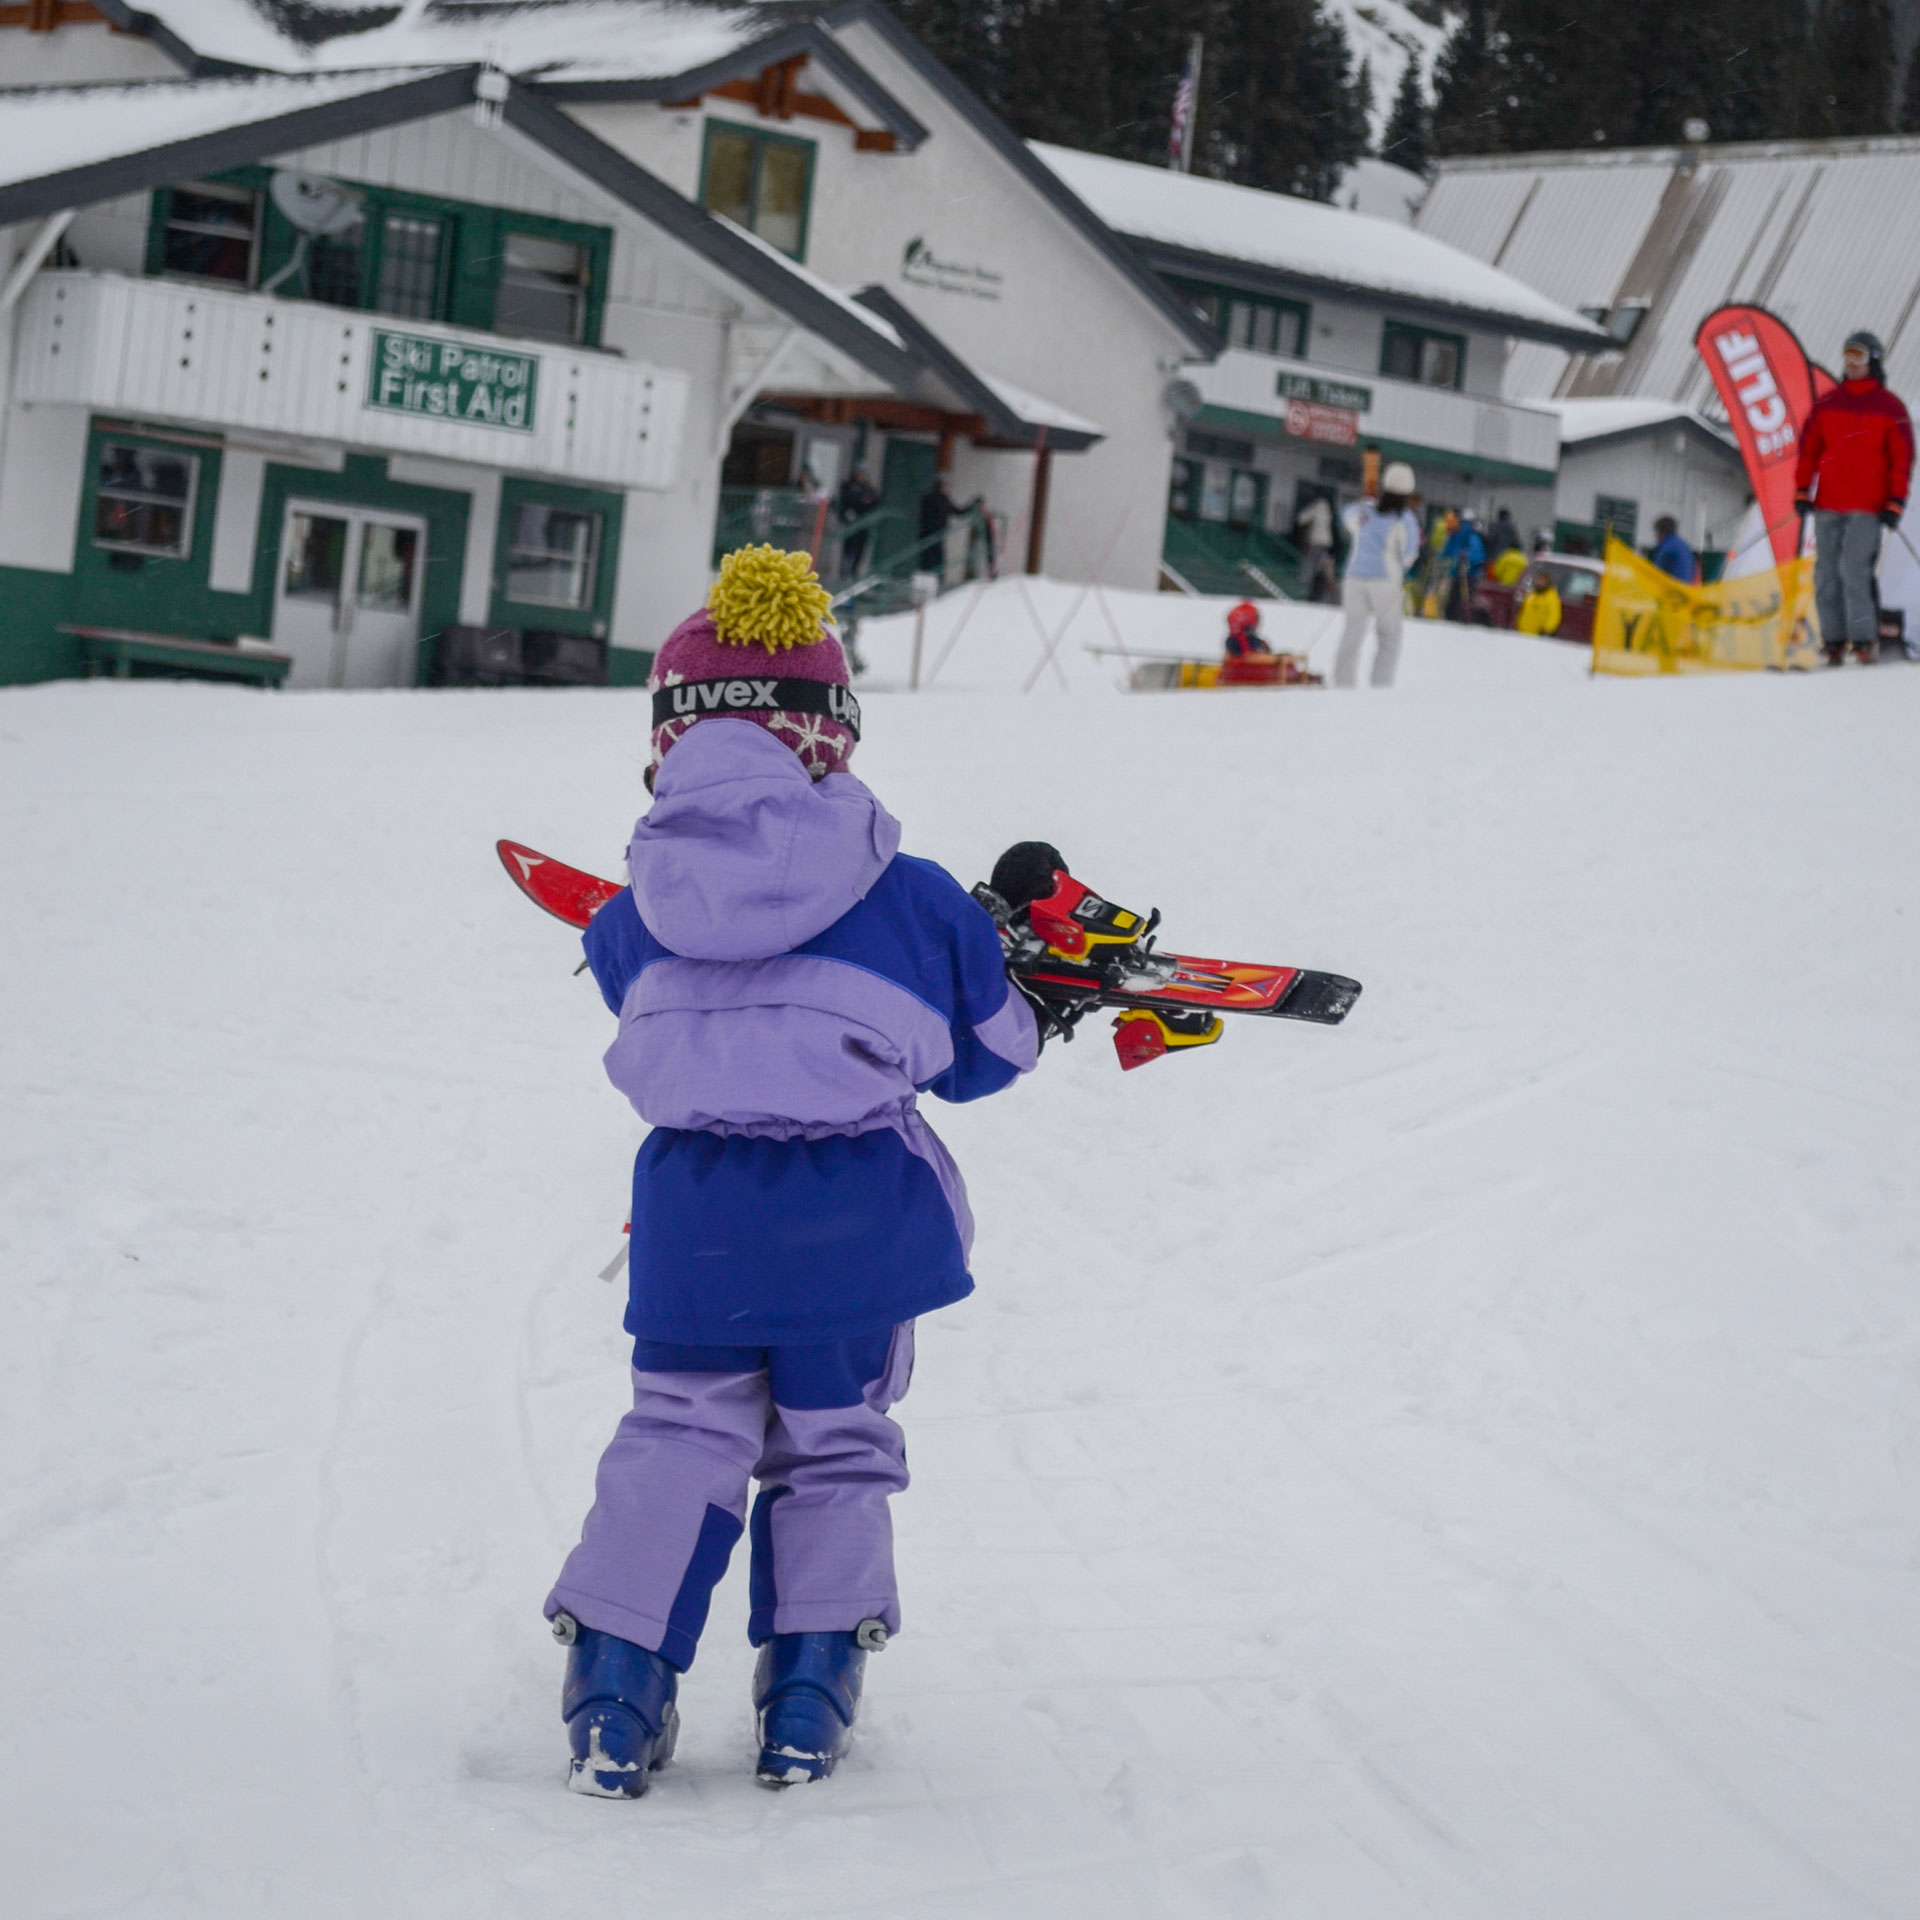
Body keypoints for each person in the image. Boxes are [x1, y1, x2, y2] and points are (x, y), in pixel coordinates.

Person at [544, 544, 1040, 1796]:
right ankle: (810, 1695)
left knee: (675, 1436)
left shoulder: (631, 914)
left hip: (695, 1227)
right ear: (834, 736)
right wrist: (1022, 981)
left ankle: (614, 1692)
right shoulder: (919, 903)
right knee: (833, 1445)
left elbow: (633, 992)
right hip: (857, 1228)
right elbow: (985, 1060)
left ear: (668, 736)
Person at [1796, 328, 1914, 665]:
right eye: (1847, 355)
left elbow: (1902, 460)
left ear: (1873, 361)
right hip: (1828, 504)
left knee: (1853, 570)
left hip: (1868, 507)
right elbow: (1809, 451)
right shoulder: (1828, 404)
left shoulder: (1890, 408)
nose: (1850, 364)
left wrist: (1895, 502)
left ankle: (1863, 640)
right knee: (1826, 574)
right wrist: (1803, 489)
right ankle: (1832, 641)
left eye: (1858, 356)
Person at [1334, 461, 1424, 687]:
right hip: (1385, 582)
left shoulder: (1363, 510)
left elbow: (1347, 516)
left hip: (1354, 578)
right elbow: (1409, 555)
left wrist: (1368, 500)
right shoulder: (1406, 519)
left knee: (1352, 633)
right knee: (1389, 637)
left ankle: (1342, 684)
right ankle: (1380, 687)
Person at [1440, 509, 1487, 622]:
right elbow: (1448, 552)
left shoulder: (1469, 535)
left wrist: (1465, 556)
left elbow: (1479, 555)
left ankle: (1460, 620)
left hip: (1468, 575)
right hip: (1458, 574)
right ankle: (1455, 619)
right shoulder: (1457, 535)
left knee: (1460, 602)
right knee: (1455, 602)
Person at [834, 468, 879, 579]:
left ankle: (854, 571)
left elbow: (872, 502)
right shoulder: (848, 488)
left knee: (859, 550)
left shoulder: (868, 489)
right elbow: (842, 504)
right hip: (851, 525)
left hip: (862, 526)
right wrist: (845, 515)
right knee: (848, 549)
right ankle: (845, 571)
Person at [1293, 493, 1336, 602]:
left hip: (1316, 542)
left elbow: (1301, 518)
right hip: (1326, 542)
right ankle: (1327, 587)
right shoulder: (1328, 511)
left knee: (1310, 563)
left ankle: (1304, 584)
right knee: (1324, 566)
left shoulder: (1317, 508)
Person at [1515, 565, 1562, 636]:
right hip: (1523, 632)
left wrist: (1547, 629)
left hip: (1538, 635)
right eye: (1539, 579)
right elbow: (1523, 611)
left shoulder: (1551, 596)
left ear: (1547, 582)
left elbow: (1554, 615)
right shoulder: (1531, 594)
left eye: (1543, 580)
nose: (1540, 582)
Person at [1648, 515, 1696, 583]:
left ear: (1660, 532)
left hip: (1671, 588)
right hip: (1685, 586)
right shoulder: (1682, 544)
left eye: (1656, 533)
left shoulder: (1666, 546)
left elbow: (1654, 569)